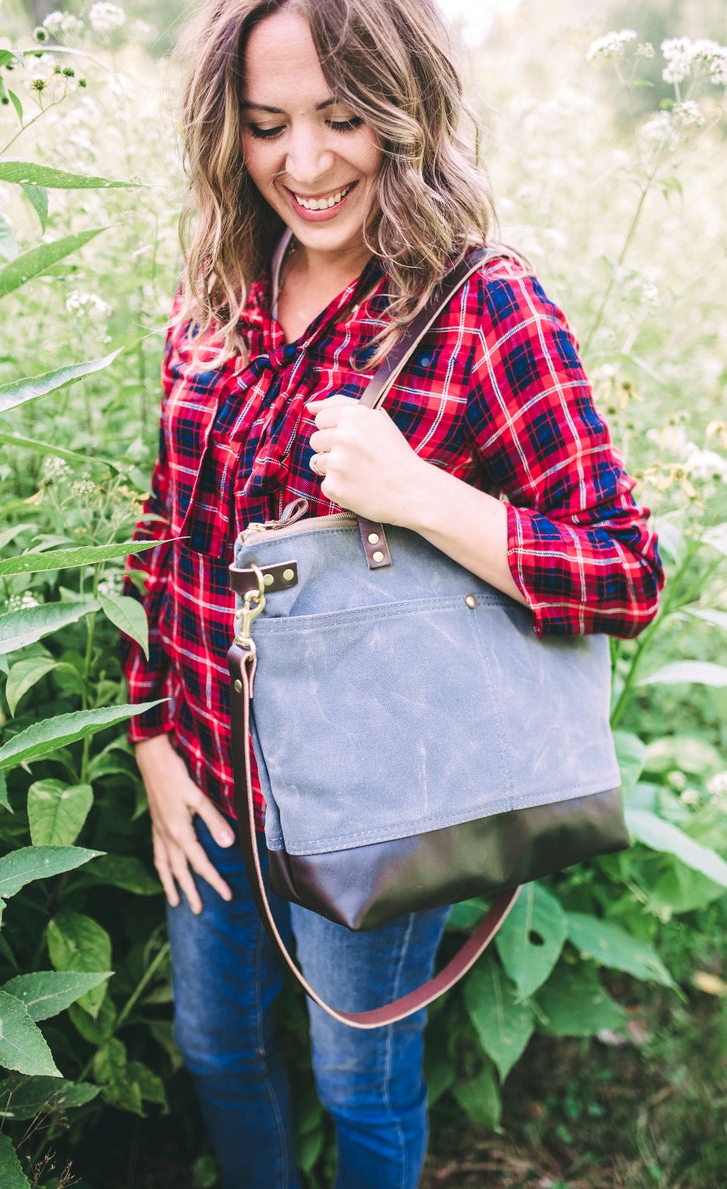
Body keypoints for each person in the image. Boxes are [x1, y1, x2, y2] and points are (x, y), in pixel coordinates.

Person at [121, 1, 664, 1185]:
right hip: (209, 776)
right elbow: (167, 530)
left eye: (342, 118)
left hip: (378, 801)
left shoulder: (478, 308)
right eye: (265, 126)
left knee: (356, 1077)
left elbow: (624, 569)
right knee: (216, 1048)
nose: (302, 165)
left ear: (404, 111)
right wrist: (150, 733)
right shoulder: (217, 292)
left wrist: (418, 493)